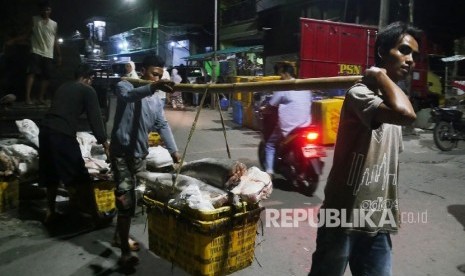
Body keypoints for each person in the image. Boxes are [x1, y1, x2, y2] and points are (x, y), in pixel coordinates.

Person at [308, 21, 420, 276]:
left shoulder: (393, 99)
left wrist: (383, 78)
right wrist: (380, 76)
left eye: (414, 54)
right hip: (343, 217)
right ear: (382, 51)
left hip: (379, 219)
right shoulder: (361, 94)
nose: (410, 59)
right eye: (404, 50)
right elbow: (406, 115)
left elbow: (402, 113)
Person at [109, 54, 181, 267]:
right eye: (153, 74)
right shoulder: (125, 85)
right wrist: (154, 86)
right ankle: (124, 251)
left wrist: (174, 151)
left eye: (159, 75)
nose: (155, 79)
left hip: (139, 155)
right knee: (125, 201)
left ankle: (117, 235)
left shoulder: (156, 99)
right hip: (121, 153)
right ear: (143, 71)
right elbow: (129, 97)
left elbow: (162, 124)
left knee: (135, 198)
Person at [38, 63, 109, 225]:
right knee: (81, 176)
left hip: (45, 130)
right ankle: (95, 216)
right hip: (62, 134)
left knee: (51, 174)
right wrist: (105, 143)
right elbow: (95, 119)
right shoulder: (87, 90)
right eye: (91, 80)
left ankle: (50, 212)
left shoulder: (64, 87)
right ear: (88, 78)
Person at [261, 62, 312, 176]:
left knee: (270, 144)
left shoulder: (284, 88)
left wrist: (263, 110)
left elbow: (271, 105)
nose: (280, 77)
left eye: (281, 75)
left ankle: (269, 172)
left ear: (286, 74)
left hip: (290, 127)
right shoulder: (304, 86)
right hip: (305, 125)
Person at [25, 0, 61, 106]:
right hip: (36, 51)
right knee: (31, 73)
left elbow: (55, 40)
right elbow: (27, 34)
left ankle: (40, 98)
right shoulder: (34, 20)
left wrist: (59, 55)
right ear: (40, 10)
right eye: (44, 9)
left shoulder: (54, 24)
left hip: (48, 53)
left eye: (48, 9)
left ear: (50, 11)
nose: (46, 11)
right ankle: (27, 98)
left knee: (47, 77)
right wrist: (14, 40)